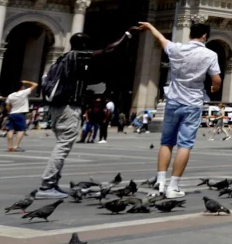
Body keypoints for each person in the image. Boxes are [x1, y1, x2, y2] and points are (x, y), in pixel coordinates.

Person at [36, 29, 132, 199]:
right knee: (63, 146)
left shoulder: (63, 59)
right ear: (84, 46)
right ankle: (46, 186)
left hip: (57, 108)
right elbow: (108, 51)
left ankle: (53, 184)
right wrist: (127, 35)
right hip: (68, 108)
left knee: (62, 144)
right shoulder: (77, 57)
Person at [135, 21, 221, 199]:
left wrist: (150, 26)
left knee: (166, 142)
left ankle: (160, 181)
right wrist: (214, 87)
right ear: (205, 36)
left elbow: (160, 38)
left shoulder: (176, 49)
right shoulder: (210, 54)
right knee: (185, 144)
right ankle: (173, 186)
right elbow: (216, 79)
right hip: (193, 103)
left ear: (190, 34)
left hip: (173, 101)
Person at [3, 81, 37, 153]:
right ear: (21, 87)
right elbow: (35, 84)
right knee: (21, 130)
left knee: (10, 130)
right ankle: (16, 146)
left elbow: (7, 106)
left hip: (12, 113)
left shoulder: (10, 95)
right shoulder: (24, 92)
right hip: (21, 113)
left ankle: (9, 146)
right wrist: (26, 82)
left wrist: (9, 111)